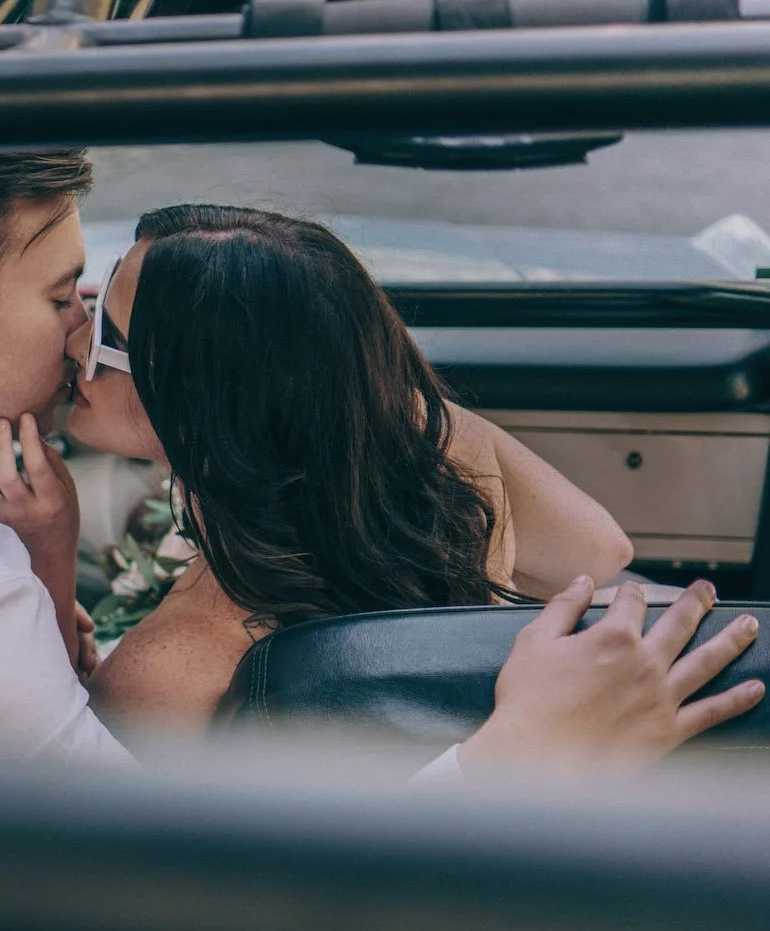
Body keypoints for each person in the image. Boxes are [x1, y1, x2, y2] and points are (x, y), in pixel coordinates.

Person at [0, 150, 762, 776]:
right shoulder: (415, 503)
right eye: (64, 296)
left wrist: (42, 556)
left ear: (193, 407)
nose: (78, 333)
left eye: (99, 313)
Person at [61, 204, 639, 739]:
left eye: (108, 336)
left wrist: (49, 570)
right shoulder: (441, 453)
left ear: (205, 404)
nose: (76, 340)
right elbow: (595, 552)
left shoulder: (163, 671)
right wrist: (366, 393)